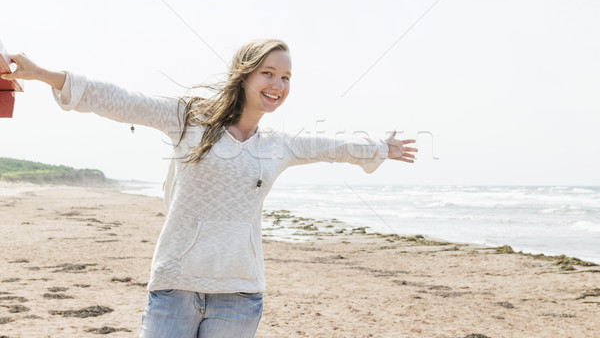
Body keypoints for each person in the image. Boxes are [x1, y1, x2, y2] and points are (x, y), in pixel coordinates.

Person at [2, 39, 417, 337]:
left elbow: (334, 146)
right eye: (268, 73)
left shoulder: (279, 146)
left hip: (239, 295)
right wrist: (40, 73)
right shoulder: (187, 119)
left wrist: (381, 147)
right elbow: (117, 99)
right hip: (174, 288)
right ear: (244, 75)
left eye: (286, 77)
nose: (278, 85)